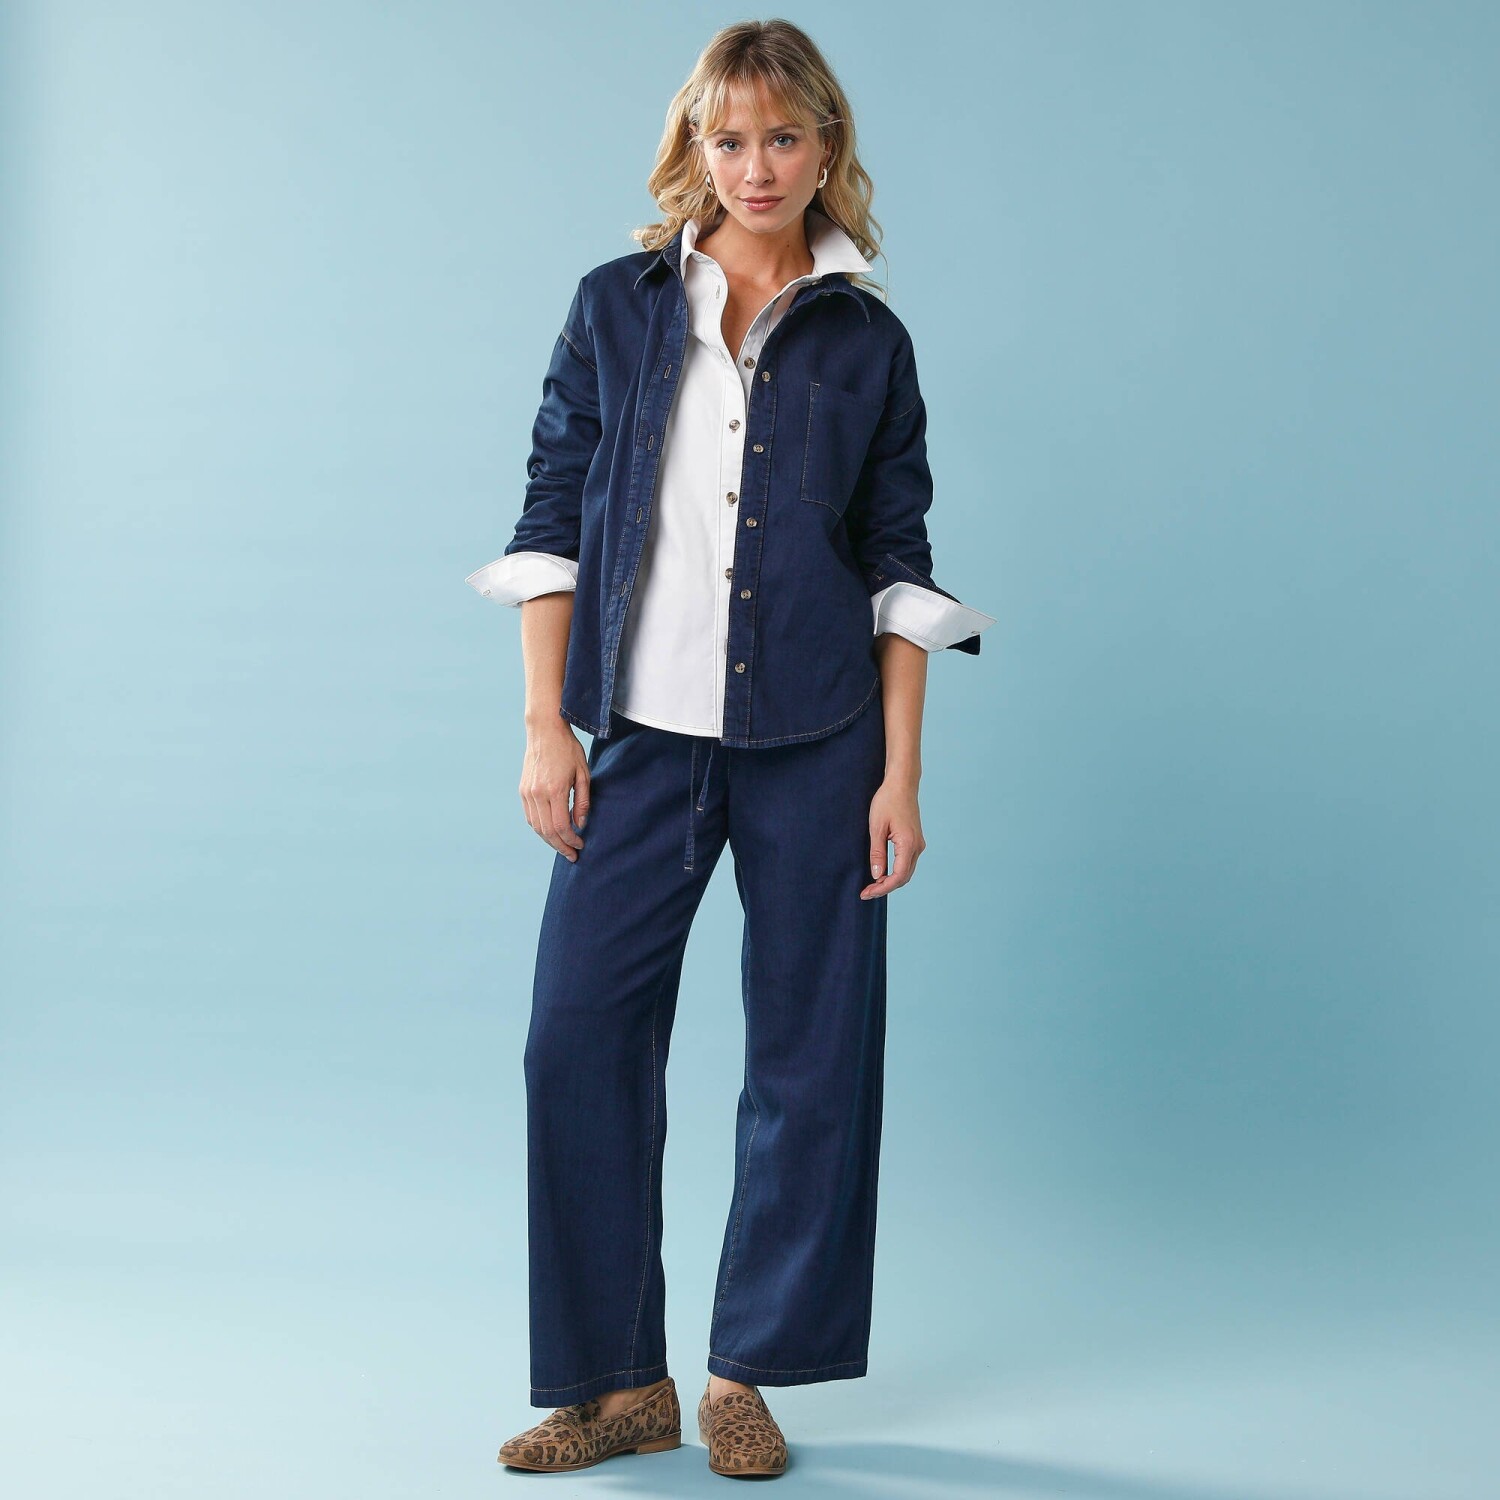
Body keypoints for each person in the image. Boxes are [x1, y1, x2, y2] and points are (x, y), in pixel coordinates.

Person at [465, 18, 994, 1479]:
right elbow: (552, 514)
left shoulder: (868, 341)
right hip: (641, 735)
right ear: (694, 147)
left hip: (820, 742)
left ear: (826, 147)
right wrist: (546, 727)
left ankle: (743, 1376)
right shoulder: (616, 308)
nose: (755, 167)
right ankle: (612, 1385)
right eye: (729, 138)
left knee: (814, 1056)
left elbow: (896, 564)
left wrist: (900, 775)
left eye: (783, 137)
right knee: (576, 1034)